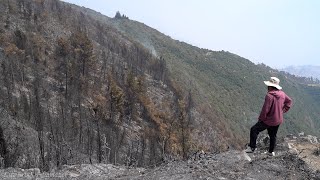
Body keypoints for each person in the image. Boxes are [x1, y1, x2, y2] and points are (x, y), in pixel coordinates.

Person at [245, 77, 292, 156]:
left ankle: (252, 147)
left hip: (269, 120)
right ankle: (271, 152)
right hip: (278, 119)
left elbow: (265, 109)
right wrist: (283, 110)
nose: (267, 87)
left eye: (268, 86)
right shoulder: (282, 94)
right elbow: (289, 101)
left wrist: (261, 119)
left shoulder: (269, 96)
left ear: (270, 86)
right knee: (273, 135)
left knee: (254, 129)